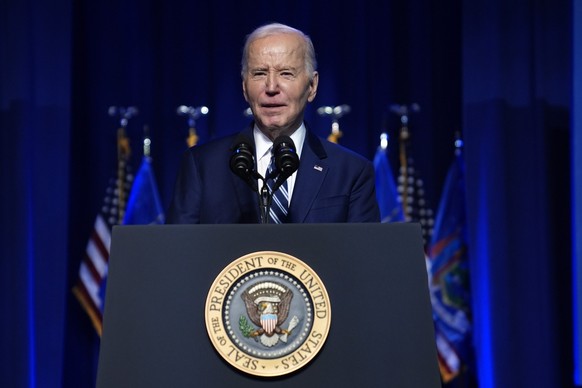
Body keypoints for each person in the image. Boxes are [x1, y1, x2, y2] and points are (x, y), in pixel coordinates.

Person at [166, 23, 380, 224]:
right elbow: (177, 255)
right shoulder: (202, 166)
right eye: (259, 73)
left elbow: (364, 259)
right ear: (244, 87)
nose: (271, 87)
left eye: (286, 73)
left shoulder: (352, 172)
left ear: (312, 86)